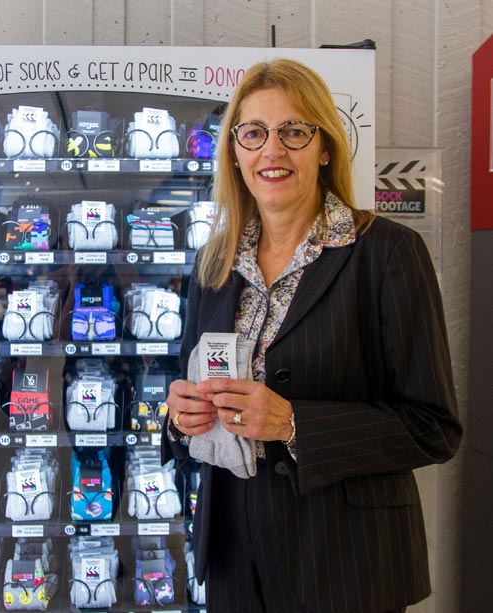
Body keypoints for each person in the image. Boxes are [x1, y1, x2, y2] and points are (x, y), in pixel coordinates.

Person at [162, 59, 462, 613]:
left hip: (347, 565)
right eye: (253, 133)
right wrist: (181, 419)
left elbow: (435, 427)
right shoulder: (214, 263)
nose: (271, 150)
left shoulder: (387, 253)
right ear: (234, 152)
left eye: (294, 131)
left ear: (324, 147)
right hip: (234, 560)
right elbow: (192, 390)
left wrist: (295, 423)